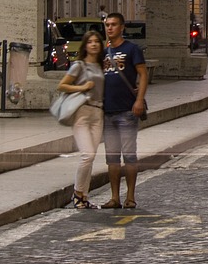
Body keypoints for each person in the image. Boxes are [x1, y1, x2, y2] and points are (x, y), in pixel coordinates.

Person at [100, 11, 149, 210]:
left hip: (127, 110)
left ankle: (130, 196)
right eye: (107, 25)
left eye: (113, 24)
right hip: (108, 110)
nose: (109, 28)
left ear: (122, 28)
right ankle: (114, 197)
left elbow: (143, 74)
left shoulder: (132, 49)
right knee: (111, 158)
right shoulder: (103, 52)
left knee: (129, 155)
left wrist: (139, 100)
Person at [55, 30, 107, 208]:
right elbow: (61, 86)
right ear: (85, 46)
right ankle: (77, 193)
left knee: (91, 157)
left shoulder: (101, 66)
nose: (93, 44)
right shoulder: (79, 65)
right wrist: (82, 87)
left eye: (96, 42)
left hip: (98, 113)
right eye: (90, 42)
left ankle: (84, 196)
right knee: (88, 154)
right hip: (83, 112)